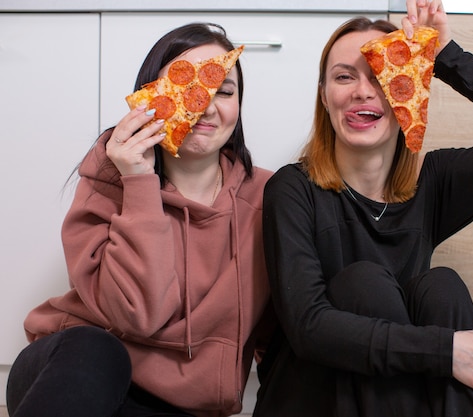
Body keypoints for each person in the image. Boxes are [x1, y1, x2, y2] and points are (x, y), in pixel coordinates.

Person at [253, 1, 473, 416]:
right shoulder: (292, 189)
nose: (362, 90)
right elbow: (310, 328)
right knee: (363, 284)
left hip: (404, 396)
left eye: (382, 74)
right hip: (313, 392)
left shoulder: (431, 183)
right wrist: (446, 351)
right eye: (344, 77)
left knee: (442, 286)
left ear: (408, 91)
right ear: (325, 99)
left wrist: (443, 53)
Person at [6, 22, 274, 417]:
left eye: (224, 90)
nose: (206, 103)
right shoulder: (112, 178)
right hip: (74, 371)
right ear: (150, 98)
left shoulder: (271, 197)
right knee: (97, 350)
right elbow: (139, 314)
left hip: (183, 404)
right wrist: (138, 182)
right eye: (185, 86)